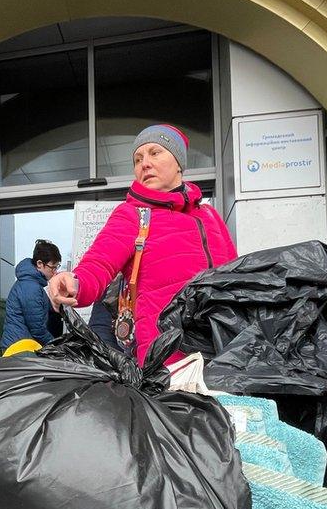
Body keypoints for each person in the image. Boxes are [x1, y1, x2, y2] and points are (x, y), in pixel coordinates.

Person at [48, 124, 237, 365]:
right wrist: (73, 283)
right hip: (169, 362)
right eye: (138, 159)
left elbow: (235, 279)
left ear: (179, 163)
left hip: (224, 354)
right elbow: (98, 264)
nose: (144, 163)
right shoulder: (132, 214)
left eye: (155, 153)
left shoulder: (209, 216)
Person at [0, 239, 63, 353]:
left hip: (25, 344)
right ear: (39, 264)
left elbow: (53, 312)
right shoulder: (30, 288)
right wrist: (57, 347)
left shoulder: (34, 286)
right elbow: (37, 329)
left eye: (57, 267)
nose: (55, 272)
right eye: (52, 267)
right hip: (19, 347)